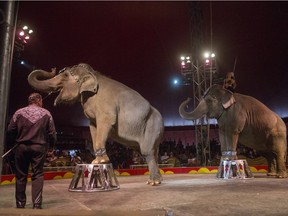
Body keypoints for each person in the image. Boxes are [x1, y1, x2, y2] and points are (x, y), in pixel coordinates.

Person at [7, 93, 56, 209]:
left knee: (20, 176)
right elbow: (52, 133)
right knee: (37, 175)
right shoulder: (46, 113)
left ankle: (20, 204)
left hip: (21, 147)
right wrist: (51, 148)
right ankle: (37, 204)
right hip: (39, 148)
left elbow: (10, 130)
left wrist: (11, 145)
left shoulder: (19, 112)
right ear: (39, 101)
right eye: (42, 101)